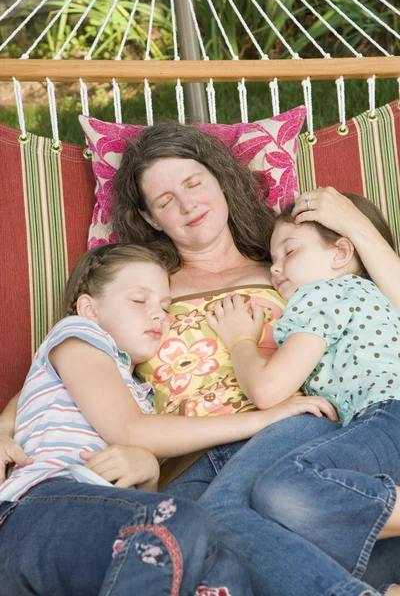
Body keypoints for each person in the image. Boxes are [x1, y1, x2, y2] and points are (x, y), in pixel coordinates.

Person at [1, 122, 400, 592]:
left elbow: (384, 313)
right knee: (203, 560)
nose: (188, 204)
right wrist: (6, 426)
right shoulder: (144, 289)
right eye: (166, 200)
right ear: (150, 219)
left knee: (227, 521)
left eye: (194, 183)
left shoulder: (290, 269)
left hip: (288, 435)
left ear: (221, 179)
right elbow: (75, 362)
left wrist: (354, 225)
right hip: (185, 463)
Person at [1, 241, 319, 596]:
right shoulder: (78, 334)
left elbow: (135, 507)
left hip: (95, 534)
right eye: (139, 300)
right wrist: (263, 419)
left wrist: (150, 473)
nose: (158, 315)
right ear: (89, 308)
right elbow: (129, 429)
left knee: (225, 573)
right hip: (35, 510)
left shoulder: (140, 394)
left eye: (165, 307)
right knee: (177, 518)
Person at [202, 193, 400, 594]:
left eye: (289, 251)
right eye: (272, 259)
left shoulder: (326, 294)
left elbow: (268, 389)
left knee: (283, 489)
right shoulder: (378, 297)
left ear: (342, 252)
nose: (275, 269)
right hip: (379, 428)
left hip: (387, 417)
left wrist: (241, 339)